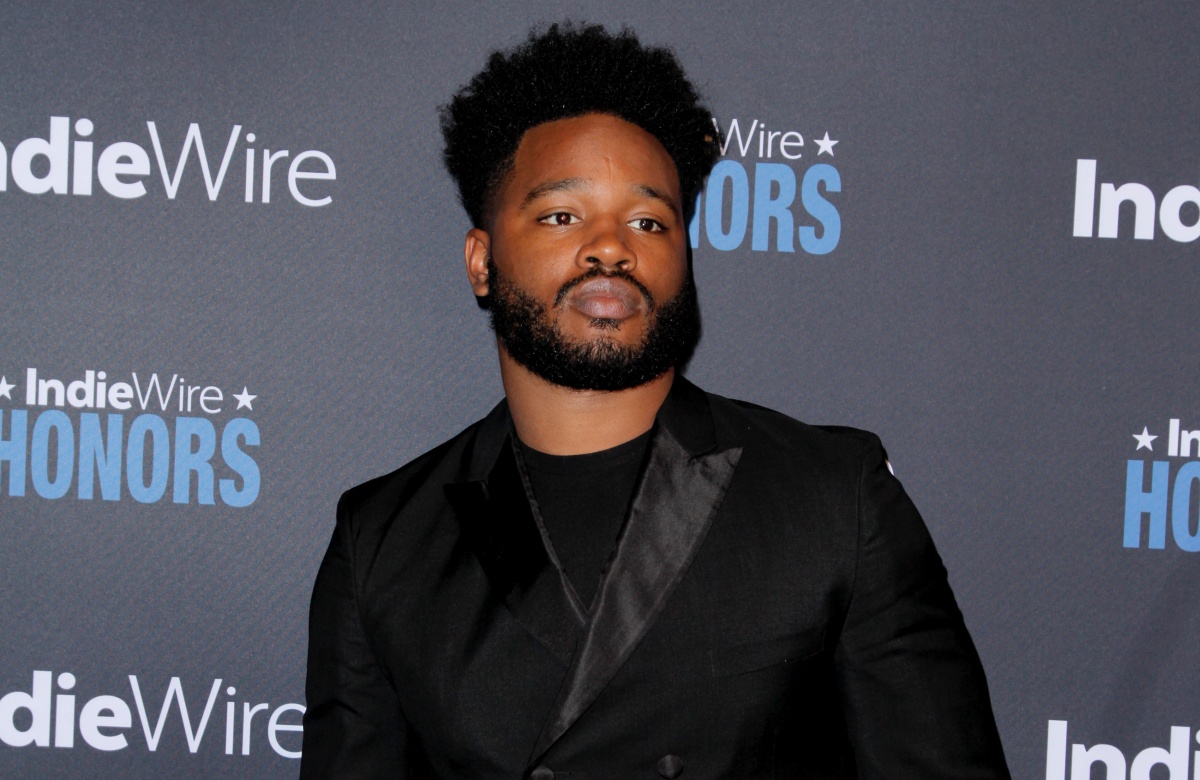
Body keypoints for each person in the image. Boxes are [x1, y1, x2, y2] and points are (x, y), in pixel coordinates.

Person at [301, 22, 1010, 779]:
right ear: (482, 262)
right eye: (561, 216)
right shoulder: (382, 541)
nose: (611, 247)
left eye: (648, 221)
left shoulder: (835, 498)